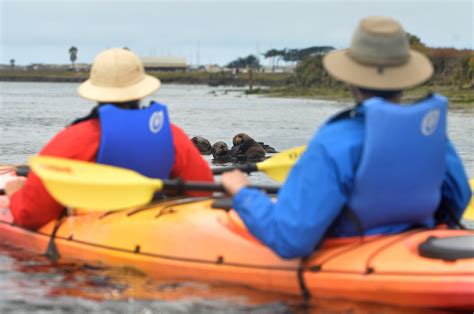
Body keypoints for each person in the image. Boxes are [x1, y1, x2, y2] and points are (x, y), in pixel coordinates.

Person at [221, 16, 472, 259]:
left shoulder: (335, 140)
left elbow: (291, 238)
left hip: (351, 254)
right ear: (405, 79)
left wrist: (243, 193)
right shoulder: (431, 135)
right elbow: (458, 198)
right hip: (416, 249)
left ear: (351, 79)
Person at [5, 48, 214, 230]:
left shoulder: (75, 139)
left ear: (96, 91)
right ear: (140, 90)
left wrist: (15, 194)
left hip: (96, 242)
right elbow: (203, 193)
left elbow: (29, 215)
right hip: (159, 229)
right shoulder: (171, 135)